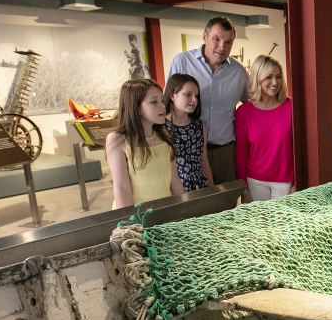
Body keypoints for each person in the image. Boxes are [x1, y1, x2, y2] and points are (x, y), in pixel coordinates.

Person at [166, 17, 248, 185]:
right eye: (216, 39)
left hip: (224, 152)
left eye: (228, 42)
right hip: (187, 150)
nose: (222, 47)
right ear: (205, 37)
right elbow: (166, 103)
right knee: (193, 205)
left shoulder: (238, 72)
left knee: (227, 205)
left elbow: (253, 105)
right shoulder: (182, 62)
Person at [106, 79, 184, 209]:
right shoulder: (117, 139)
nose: (162, 106)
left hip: (165, 210)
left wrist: (184, 208)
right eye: (154, 102)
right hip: (136, 214)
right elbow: (121, 186)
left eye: (162, 101)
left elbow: (174, 178)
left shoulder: (164, 134)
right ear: (135, 106)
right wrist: (127, 222)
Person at [235, 55, 294, 202]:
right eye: (269, 77)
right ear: (257, 78)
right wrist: (244, 189)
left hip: (285, 180)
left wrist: (296, 182)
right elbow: (241, 154)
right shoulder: (244, 112)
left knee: (282, 224)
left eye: (278, 76)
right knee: (260, 224)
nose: (275, 82)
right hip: (255, 181)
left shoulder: (291, 107)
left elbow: (300, 149)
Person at [163, 73, 214, 192]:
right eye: (188, 94)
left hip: (200, 185)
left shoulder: (200, 127)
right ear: (172, 95)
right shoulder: (160, 127)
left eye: (196, 95)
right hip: (172, 188)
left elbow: (204, 161)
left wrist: (212, 189)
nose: (194, 100)